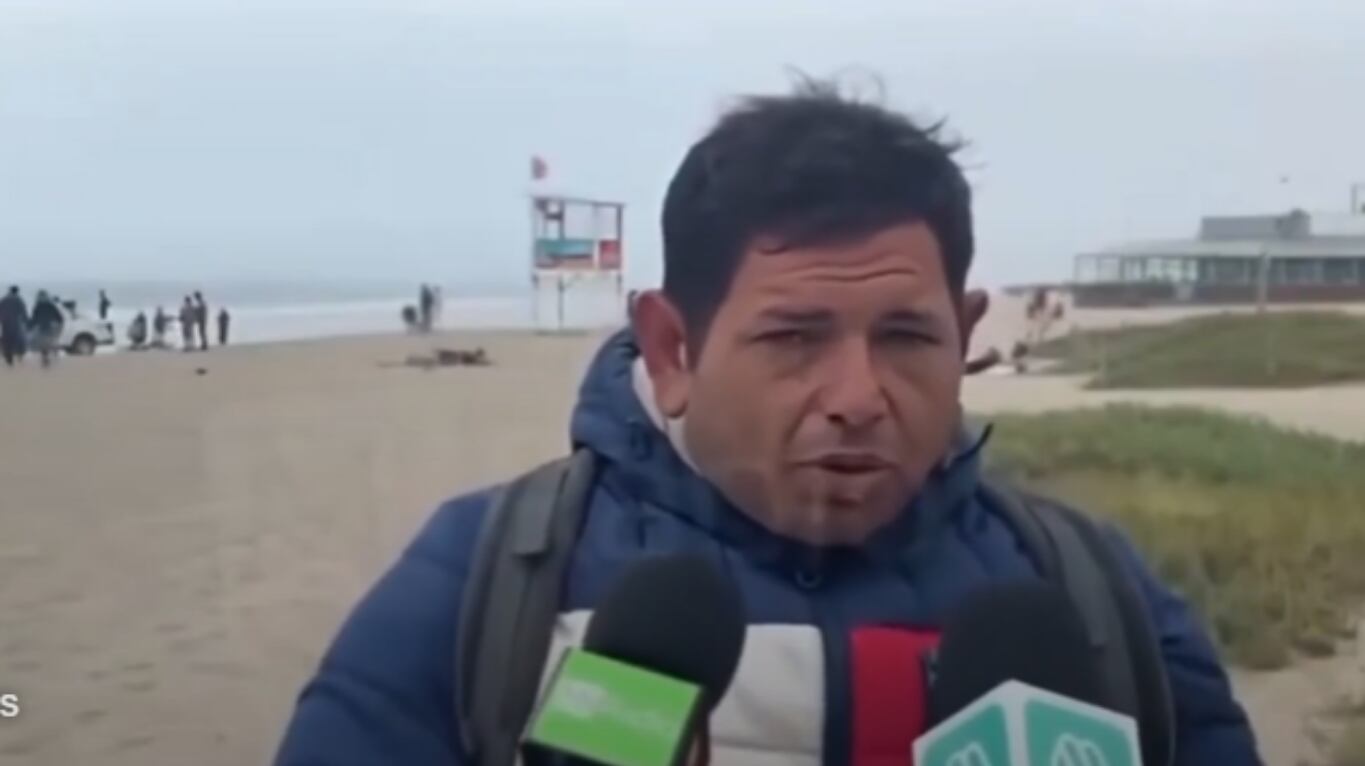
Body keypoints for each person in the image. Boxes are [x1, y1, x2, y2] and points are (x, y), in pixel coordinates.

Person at [274, 83, 1259, 765]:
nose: (858, 395)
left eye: (907, 336)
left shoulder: (1094, 596)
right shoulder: (483, 579)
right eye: (795, 336)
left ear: (964, 336)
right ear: (671, 351)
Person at [29, 290, 64, 368]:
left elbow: (34, 318)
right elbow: (58, 316)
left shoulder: (37, 306)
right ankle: (54, 353)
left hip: (42, 326)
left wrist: (30, 326)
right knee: (51, 340)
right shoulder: (51, 305)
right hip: (51, 325)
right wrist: (60, 323)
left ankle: (45, 356)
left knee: (43, 342)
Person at [0, 286, 29, 367]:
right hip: (15, 323)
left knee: (7, 340)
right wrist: (27, 322)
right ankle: (20, 355)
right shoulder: (18, 299)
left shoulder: (3, 299)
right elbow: (23, 311)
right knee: (18, 339)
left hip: (5, 323)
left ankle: (9, 358)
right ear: (17, 291)